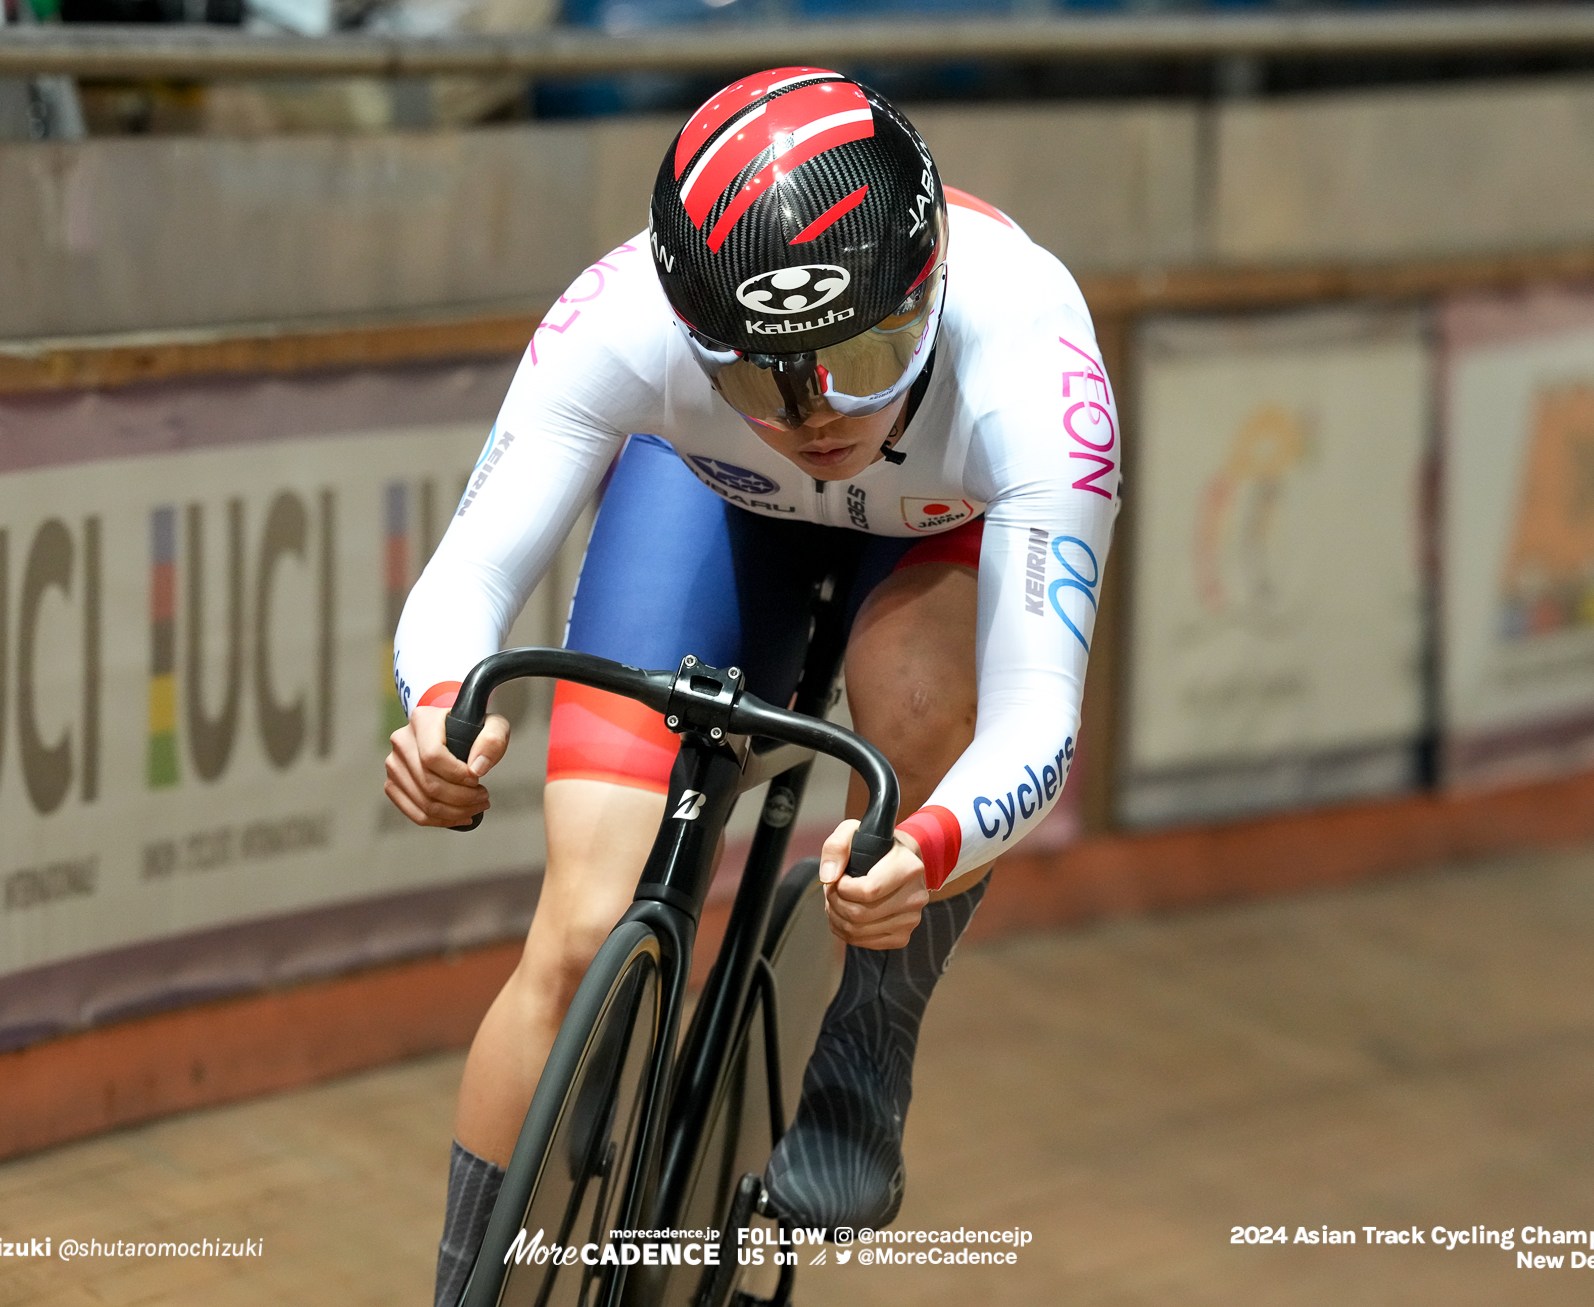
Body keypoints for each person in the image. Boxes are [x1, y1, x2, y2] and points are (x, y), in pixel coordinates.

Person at [385, 65, 1121, 1307]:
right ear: (690, 331)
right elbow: (469, 574)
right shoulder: (620, 313)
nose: (817, 415)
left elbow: (1038, 716)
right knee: (573, 933)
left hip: (934, 527)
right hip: (716, 500)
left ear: (930, 288)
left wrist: (931, 846)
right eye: (760, 375)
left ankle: (876, 1019)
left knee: (919, 698)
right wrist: (437, 706)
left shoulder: (1035, 356)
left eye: (868, 355)